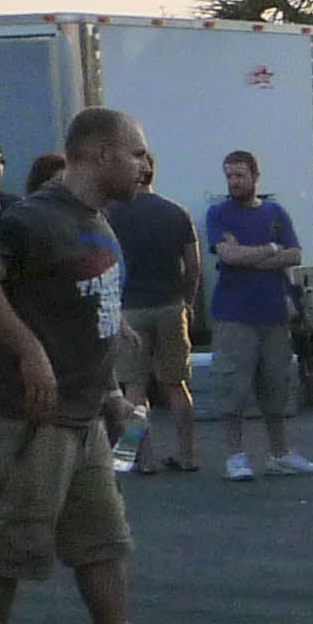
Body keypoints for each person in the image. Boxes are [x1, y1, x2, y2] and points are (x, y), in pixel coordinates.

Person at [0, 107, 203, 624]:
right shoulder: (37, 217)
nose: (144, 166)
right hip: (25, 419)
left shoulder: (96, 221)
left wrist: (110, 393)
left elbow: (82, 315)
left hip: (82, 420)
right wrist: (28, 350)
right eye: (136, 154)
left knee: (102, 545)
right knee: (7, 551)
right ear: (102, 154)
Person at [204, 149, 313, 481]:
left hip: (273, 315)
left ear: (255, 176)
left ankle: (279, 454)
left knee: (276, 387)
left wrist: (249, 256)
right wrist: (270, 249)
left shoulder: (275, 212)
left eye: (240, 175)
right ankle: (236, 457)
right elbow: (227, 256)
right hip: (234, 316)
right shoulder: (218, 213)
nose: (233, 182)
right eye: (229, 176)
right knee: (232, 388)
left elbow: (294, 254)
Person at [107, 149, 202, 475]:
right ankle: (187, 454)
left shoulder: (111, 214)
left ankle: (143, 457)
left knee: (135, 388)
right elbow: (193, 265)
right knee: (177, 384)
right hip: (170, 306)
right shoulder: (176, 212)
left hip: (130, 309)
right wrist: (187, 301)